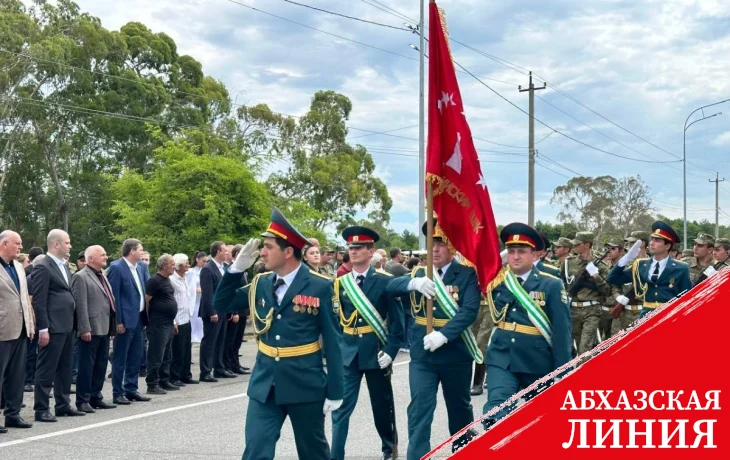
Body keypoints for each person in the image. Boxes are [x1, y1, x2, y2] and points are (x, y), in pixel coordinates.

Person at [213, 208, 344, 460]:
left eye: (268, 246)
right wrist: (234, 270)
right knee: (255, 451)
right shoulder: (261, 283)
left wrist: (336, 391)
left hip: (305, 384)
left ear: (287, 252)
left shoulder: (321, 286)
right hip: (265, 385)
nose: (262, 252)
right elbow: (222, 304)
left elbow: (333, 341)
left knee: (313, 453)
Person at [386, 219, 481, 459]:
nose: (435, 249)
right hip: (422, 355)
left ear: (454, 247)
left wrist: (444, 335)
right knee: (419, 409)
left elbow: (469, 310)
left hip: (455, 352)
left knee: (459, 410)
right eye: (432, 243)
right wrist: (412, 283)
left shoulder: (467, 274)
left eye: (441, 243)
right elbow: (390, 287)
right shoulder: (419, 272)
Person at [481, 223, 572, 429]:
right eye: (511, 251)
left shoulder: (551, 284)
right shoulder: (498, 281)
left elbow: (561, 332)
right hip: (503, 357)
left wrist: (562, 371)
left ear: (535, 255)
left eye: (521, 251)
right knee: (496, 412)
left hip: (538, 362)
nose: (515, 256)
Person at [330, 226, 404, 460]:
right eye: (351, 247)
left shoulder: (385, 281)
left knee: (382, 406)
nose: (353, 251)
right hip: (348, 352)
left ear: (371, 251)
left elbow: (397, 322)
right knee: (340, 407)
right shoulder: (341, 284)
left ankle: (388, 448)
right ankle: (336, 454)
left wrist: (391, 351)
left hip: (376, 351)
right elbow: (335, 321)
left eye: (359, 247)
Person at [32, 229, 84, 421]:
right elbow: (39, 300)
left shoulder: (63, 266)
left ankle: (62, 405)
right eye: (67, 242)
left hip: (68, 325)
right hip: (53, 326)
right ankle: (41, 408)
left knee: (65, 367)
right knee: (47, 368)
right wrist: (43, 328)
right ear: (56, 244)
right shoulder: (43, 267)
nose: (70, 246)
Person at [607, 221, 692, 318]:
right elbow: (612, 279)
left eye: (657, 240)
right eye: (652, 239)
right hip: (646, 317)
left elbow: (687, 298)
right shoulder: (640, 265)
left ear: (667, 246)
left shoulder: (681, 268)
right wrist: (626, 259)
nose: (651, 243)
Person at [72, 245, 117, 413]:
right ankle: (82, 400)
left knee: (100, 364)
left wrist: (112, 327)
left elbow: (109, 301)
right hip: (90, 328)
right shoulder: (81, 277)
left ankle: (95, 396)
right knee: (86, 366)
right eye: (102, 255)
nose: (106, 257)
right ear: (90, 258)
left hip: (104, 327)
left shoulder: (102, 275)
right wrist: (84, 328)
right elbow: (81, 305)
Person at [106, 239, 151, 405]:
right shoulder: (117, 268)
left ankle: (131, 388)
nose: (142, 252)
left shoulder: (141, 267)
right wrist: (118, 321)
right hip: (124, 321)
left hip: (139, 318)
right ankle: (118, 392)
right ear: (132, 251)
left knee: (136, 356)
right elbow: (114, 296)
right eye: (140, 249)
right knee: (120, 357)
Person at [0, 230, 35, 432]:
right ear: (5, 244)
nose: (21, 247)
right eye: (17, 243)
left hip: (20, 329)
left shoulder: (19, 267)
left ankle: (12, 415)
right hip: (3, 329)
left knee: (16, 375)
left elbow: (24, 298)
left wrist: (29, 324)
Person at [560, 232, 611, 355]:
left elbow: (607, 291)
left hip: (592, 310)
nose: (574, 247)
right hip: (573, 309)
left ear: (587, 245)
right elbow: (562, 282)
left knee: (585, 347)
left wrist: (596, 277)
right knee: (577, 344)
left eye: (577, 244)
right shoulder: (568, 263)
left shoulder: (602, 266)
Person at [144, 254, 180, 394]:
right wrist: (148, 321)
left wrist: (174, 321)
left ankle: (164, 380)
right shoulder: (154, 281)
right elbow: (147, 301)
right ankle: (152, 384)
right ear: (164, 265)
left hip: (169, 323)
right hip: (158, 324)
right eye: (172, 263)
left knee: (167, 354)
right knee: (156, 355)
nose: (174, 266)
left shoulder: (167, 280)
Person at [199, 241, 234, 382]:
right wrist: (212, 311)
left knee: (221, 340)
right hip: (212, 312)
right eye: (225, 251)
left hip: (223, 310)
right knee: (209, 341)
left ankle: (219, 368)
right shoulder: (208, 268)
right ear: (218, 252)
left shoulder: (223, 268)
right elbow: (207, 293)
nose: (227, 253)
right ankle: (205, 371)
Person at [169, 253, 198, 386]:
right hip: (178, 319)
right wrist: (174, 321)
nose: (188, 265)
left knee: (187, 348)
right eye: (186, 263)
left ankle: (186, 374)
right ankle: (175, 377)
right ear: (179, 266)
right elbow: (171, 301)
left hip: (187, 317)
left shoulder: (185, 277)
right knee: (177, 350)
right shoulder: (172, 280)